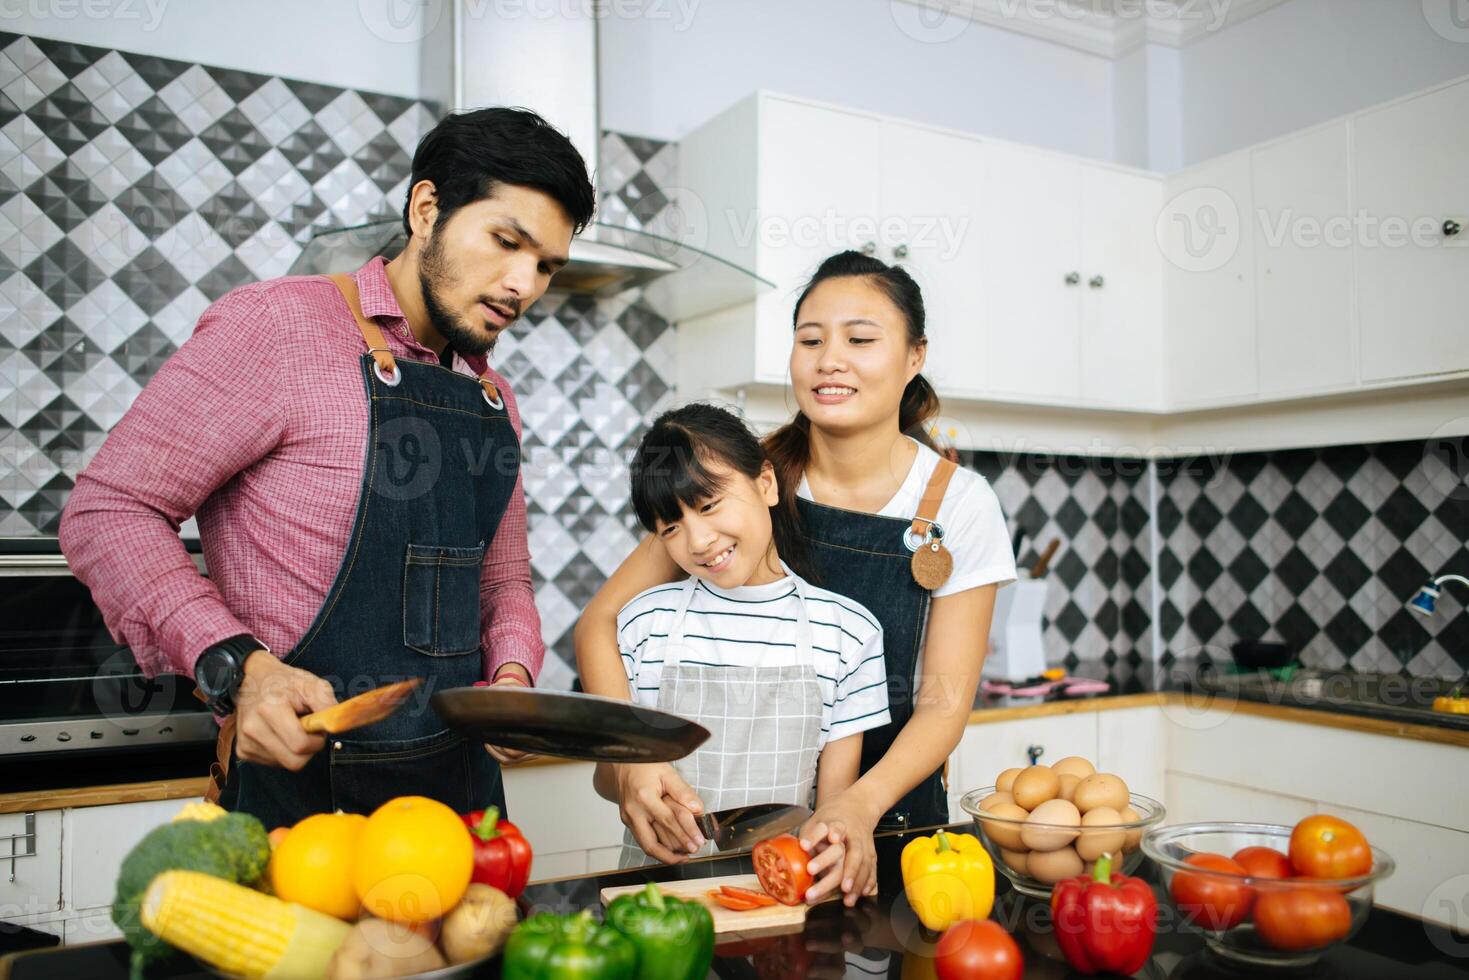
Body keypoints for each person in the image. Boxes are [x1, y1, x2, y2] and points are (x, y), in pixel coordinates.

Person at [59, 107, 596, 829]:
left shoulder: (494, 400)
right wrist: (239, 669)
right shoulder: (277, 327)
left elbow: (501, 581)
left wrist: (510, 678)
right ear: (427, 208)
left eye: (546, 266)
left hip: (462, 802)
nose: (522, 285)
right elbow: (109, 509)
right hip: (302, 798)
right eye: (506, 242)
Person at [577, 251, 1016, 904]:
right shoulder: (744, 477)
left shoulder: (957, 503)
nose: (828, 358)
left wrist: (856, 807)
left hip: (890, 823)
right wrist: (635, 764)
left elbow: (943, 702)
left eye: (859, 339)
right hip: (732, 828)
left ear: (914, 356)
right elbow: (600, 622)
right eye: (809, 339)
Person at [597, 404, 890, 879]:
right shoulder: (643, 623)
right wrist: (631, 776)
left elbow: (834, 805)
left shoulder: (847, 632)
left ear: (766, 484)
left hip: (780, 888)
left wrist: (839, 851)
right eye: (670, 527)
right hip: (656, 896)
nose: (698, 540)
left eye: (709, 505)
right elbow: (606, 779)